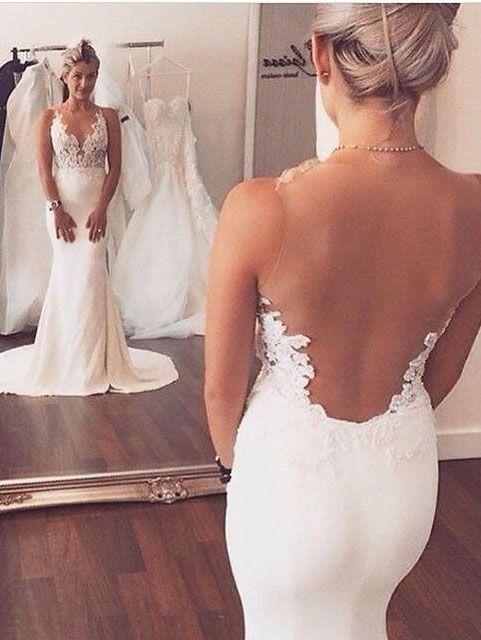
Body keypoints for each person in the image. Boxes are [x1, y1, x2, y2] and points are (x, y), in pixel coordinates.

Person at [204, 4, 480, 639]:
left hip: (289, 489)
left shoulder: (259, 207)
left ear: (321, 55)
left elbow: (220, 390)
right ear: (430, 67)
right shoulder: (476, 205)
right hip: (401, 490)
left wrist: (234, 471)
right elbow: (440, 376)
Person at [0, 39, 179, 396]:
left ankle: (94, 362)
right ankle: (64, 357)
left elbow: (115, 169)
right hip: (62, 211)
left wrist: (102, 209)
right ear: (65, 76)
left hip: (95, 210)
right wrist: (56, 209)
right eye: (79, 76)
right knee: (67, 278)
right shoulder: (48, 117)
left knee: (92, 275)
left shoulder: (108, 116)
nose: (85, 83)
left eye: (92, 76)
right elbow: (43, 170)